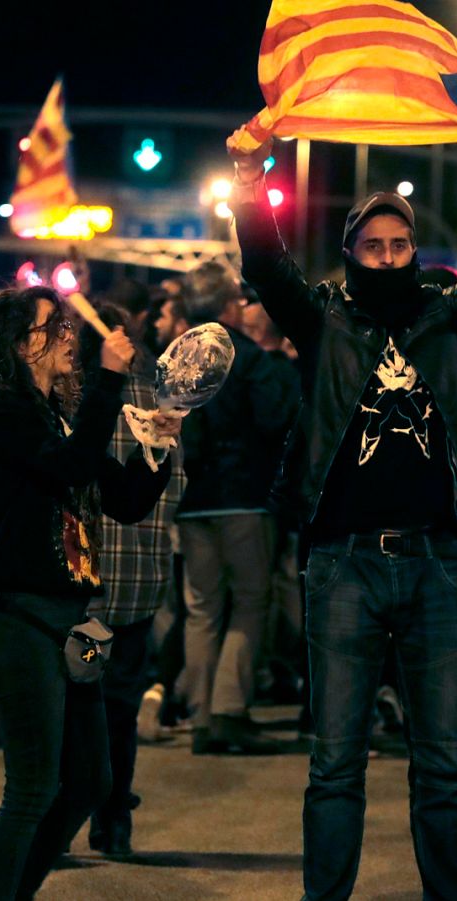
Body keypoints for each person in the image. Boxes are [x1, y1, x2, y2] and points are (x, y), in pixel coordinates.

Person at [228, 124, 457, 900]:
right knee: (335, 764)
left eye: (401, 245)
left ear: (414, 251)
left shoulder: (442, 317)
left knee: (443, 762)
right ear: (352, 252)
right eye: (374, 246)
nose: (390, 257)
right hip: (345, 560)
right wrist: (246, 178)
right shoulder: (320, 319)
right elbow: (262, 262)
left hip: (437, 560)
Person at [0, 286, 176, 901]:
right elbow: (71, 467)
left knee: (89, 780)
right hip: (17, 615)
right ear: (24, 343)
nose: (71, 337)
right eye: (56, 327)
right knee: (32, 786)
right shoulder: (1, 410)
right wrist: (108, 381)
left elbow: (124, 501)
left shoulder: (54, 416)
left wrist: (158, 443)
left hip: (76, 619)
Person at [176, 262, 298, 755]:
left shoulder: (178, 356)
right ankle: (230, 708)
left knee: (201, 608)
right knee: (251, 600)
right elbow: (276, 419)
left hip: (191, 500)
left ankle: (201, 715)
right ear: (229, 305)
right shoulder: (247, 357)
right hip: (244, 498)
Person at [78, 301, 186, 855]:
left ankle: (76, 809)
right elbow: (176, 479)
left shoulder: (73, 401)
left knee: (80, 702)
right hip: (140, 582)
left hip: (84, 592)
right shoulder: (156, 398)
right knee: (119, 706)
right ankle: (114, 820)